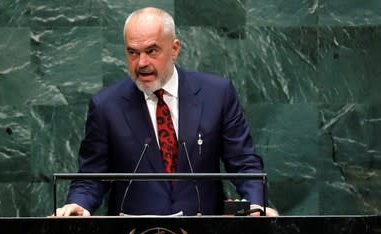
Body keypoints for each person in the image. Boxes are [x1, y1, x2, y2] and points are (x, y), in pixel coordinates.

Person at [56, 7, 278, 217]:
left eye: (151, 51)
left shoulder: (217, 95)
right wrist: (78, 204)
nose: (142, 63)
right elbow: (91, 176)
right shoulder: (106, 106)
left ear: (174, 49)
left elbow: (244, 163)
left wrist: (257, 203)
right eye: (133, 53)